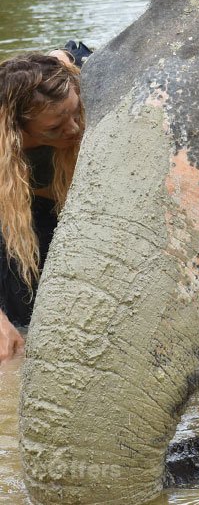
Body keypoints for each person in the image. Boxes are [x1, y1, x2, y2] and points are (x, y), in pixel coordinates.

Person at [0, 43, 91, 362]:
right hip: (20, 224)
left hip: (79, 209)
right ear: (16, 130)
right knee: (23, 322)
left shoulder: (74, 77)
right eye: (55, 127)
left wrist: (65, 63)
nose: (74, 128)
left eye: (75, 111)